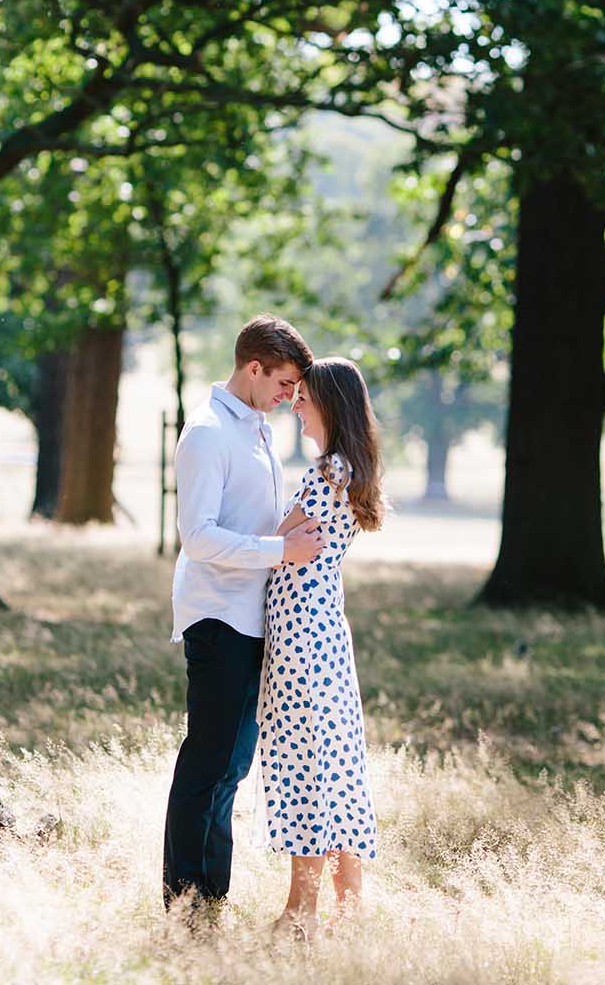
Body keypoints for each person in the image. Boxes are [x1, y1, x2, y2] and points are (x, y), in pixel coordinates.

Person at [162, 314, 323, 914]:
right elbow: (198, 537)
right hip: (217, 617)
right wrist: (281, 550)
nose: (290, 398)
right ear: (254, 368)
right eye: (284, 384)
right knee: (207, 762)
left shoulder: (254, 428)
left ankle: (212, 896)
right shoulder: (207, 433)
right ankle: (185, 901)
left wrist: (283, 532)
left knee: (233, 765)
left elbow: (245, 519)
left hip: (254, 616)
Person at [258, 357, 386, 939]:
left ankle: (300, 913)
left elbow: (275, 543)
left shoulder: (326, 474)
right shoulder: (347, 470)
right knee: (334, 764)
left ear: (329, 405)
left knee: (304, 767)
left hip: (302, 634)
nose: (294, 404)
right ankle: (349, 914)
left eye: (303, 396)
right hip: (323, 630)